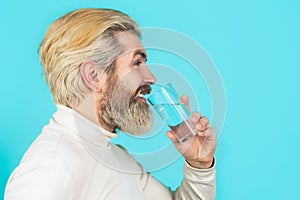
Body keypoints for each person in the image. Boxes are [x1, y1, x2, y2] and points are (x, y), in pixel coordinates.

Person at [4, 8, 217, 200]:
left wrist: (199, 166)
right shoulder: (51, 167)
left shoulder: (116, 158)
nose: (150, 77)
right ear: (94, 76)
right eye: (137, 63)